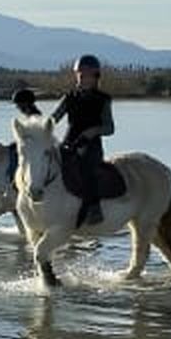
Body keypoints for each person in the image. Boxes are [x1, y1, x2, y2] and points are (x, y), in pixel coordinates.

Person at [51, 54, 115, 226]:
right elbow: (53, 118)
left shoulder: (103, 99)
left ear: (95, 77)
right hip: (68, 143)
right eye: (81, 75)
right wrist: (36, 127)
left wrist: (92, 131)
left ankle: (94, 209)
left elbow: (110, 128)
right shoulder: (69, 97)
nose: (84, 79)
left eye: (88, 75)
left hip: (91, 146)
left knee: (87, 169)